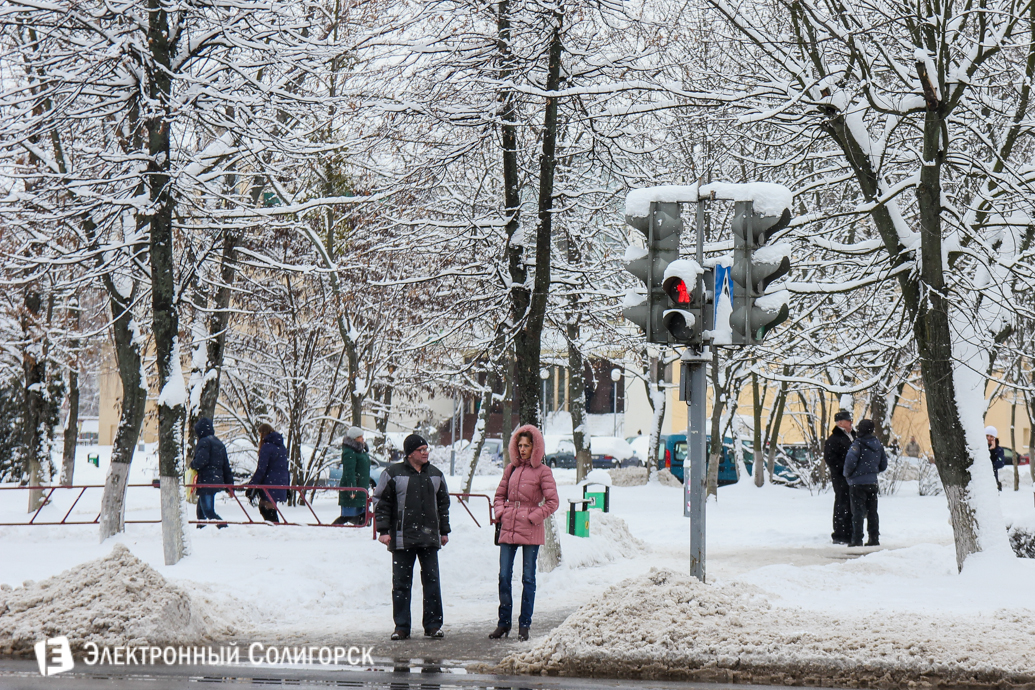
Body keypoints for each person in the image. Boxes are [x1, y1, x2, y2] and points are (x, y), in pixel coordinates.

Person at [374, 434, 451, 641]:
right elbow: (381, 503)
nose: (425, 453)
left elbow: (443, 504)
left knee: (432, 582)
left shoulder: (436, 474)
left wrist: (444, 531)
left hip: (429, 539)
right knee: (401, 584)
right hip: (401, 539)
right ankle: (401, 627)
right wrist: (383, 531)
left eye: (427, 449)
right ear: (410, 454)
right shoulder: (392, 474)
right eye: (421, 450)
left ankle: (433, 626)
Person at [489, 425, 559, 642]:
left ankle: (524, 625)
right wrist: (501, 511)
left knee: (528, 578)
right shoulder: (510, 469)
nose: (522, 450)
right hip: (509, 527)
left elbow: (553, 502)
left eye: (526, 446)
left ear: (535, 447)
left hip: (530, 528)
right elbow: (499, 496)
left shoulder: (543, 471)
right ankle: (504, 623)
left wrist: (534, 516)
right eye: (519, 445)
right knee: (504, 576)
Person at [843, 419, 888, 547]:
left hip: (857, 484)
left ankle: (857, 539)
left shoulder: (857, 444)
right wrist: (872, 471)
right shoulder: (878, 445)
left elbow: (850, 462)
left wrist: (848, 475)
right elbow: (883, 464)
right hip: (872, 483)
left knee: (857, 512)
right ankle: (874, 538)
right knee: (872, 512)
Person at [190, 417, 234, 528]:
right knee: (201, 509)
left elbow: (201, 460)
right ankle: (201, 528)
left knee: (208, 511)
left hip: (206, 480)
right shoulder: (219, 443)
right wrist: (230, 486)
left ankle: (224, 528)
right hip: (216, 480)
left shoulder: (204, 442)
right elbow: (226, 466)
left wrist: (192, 464)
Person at [247, 423, 290, 523]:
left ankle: (275, 529)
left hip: (270, 482)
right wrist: (287, 486)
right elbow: (284, 467)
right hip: (281, 482)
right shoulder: (281, 447)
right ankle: (274, 527)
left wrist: (252, 485)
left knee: (266, 507)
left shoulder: (267, 447)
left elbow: (261, 469)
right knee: (269, 507)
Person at [823, 410, 855, 545]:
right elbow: (830, 459)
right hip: (841, 477)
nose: (851, 423)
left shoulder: (853, 436)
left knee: (852, 504)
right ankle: (840, 534)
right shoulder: (834, 439)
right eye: (848, 420)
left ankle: (851, 532)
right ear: (841, 423)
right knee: (842, 503)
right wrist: (844, 469)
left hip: (853, 477)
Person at [335, 427, 371, 525]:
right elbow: (349, 473)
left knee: (364, 516)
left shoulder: (361, 451)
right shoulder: (349, 452)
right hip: (354, 489)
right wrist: (352, 489)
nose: (362, 439)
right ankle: (332, 528)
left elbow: (363, 470)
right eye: (359, 437)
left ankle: (359, 534)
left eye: (362, 436)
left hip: (362, 488)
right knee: (348, 516)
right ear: (353, 439)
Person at [986, 426, 1006, 492]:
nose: (989, 438)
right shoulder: (979, 448)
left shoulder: (999, 450)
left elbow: (1000, 463)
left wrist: (993, 450)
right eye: (987, 436)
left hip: (992, 478)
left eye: (991, 436)